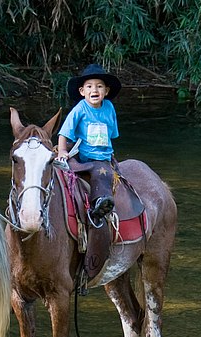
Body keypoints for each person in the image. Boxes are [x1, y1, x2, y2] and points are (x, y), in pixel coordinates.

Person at [56, 64, 122, 282]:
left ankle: (102, 203)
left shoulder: (109, 108)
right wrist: (63, 151)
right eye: (90, 86)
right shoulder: (80, 109)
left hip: (103, 156)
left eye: (100, 86)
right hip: (85, 156)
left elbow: (111, 134)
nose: (95, 90)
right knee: (94, 172)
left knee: (103, 171)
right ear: (82, 91)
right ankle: (96, 205)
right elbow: (64, 132)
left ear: (106, 91)